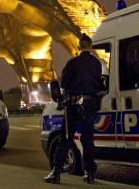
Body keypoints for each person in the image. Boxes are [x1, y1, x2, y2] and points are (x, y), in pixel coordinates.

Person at [44, 33, 104, 185]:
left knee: (65, 139)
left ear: (79, 47)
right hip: (90, 106)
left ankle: (56, 172)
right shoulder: (97, 64)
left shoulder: (73, 63)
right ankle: (90, 173)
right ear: (90, 47)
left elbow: (63, 83)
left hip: (73, 106)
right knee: (88, 140)